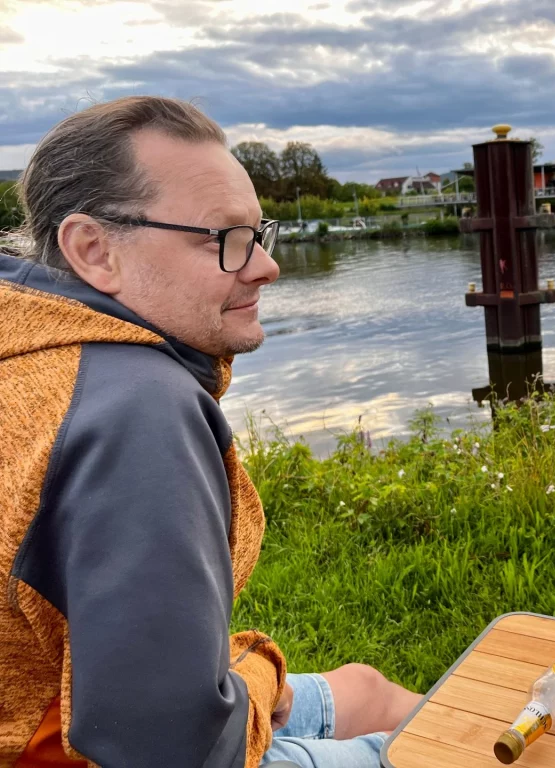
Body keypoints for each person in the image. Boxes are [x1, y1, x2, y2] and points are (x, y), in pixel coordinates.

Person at [0, 96, 420, 768]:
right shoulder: (135, 407)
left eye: (259, 234)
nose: (265, 266)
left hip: (72, 709)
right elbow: (173, 750)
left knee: (367, 689)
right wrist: (256, 672)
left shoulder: (27, 352)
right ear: (93, 250)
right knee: (458, 747)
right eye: (223, 240)